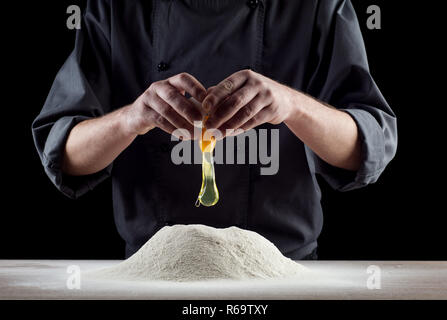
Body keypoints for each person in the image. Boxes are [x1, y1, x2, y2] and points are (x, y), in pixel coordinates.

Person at [32, 0, 397, 260]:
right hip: (150, 275)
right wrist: (132, 118)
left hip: (286, 271)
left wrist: (292, 105)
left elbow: (365, 148)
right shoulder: (115, 9)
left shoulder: (317, 7)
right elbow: (65, 155)